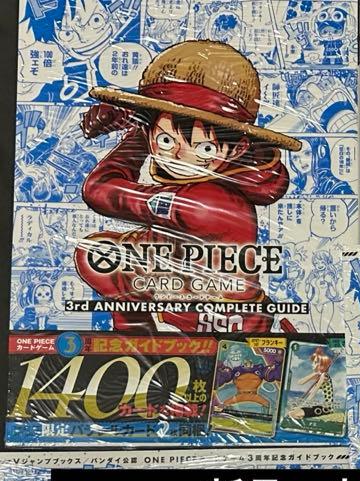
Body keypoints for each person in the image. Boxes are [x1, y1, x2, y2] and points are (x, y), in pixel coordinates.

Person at [75, 41, 302, 334]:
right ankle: (138, 338)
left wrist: (138, 135)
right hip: (176, 312)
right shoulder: (205, 184)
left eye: (204, 148)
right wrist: (140, 125)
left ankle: (141, 338)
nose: (178, 156)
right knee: (96, 254)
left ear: (236, 149)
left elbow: (100, 192)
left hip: (225, 333)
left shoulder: (209, 202)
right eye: (166, 140)